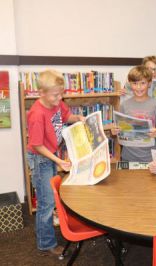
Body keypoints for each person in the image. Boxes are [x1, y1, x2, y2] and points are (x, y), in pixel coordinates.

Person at [26, 69, 84, 256]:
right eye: (55, 95)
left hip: (51, 153)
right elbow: (37, 145)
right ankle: (46, 243)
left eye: (61, 94)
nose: (59, 98)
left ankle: (44, 234)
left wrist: (79, 119)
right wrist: (59, 160)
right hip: (41, 157)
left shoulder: (57, 104)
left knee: (51, 198)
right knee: (46, 203)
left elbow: (66, 117)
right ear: (41, 93)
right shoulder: (36, 114)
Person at [112, 65, 156, 163]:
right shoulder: (124, 105)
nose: (139, 87)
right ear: (130, 84)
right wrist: (115, 131)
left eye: (143, 83)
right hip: (127, 156)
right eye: (135, 83)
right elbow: (119, 128)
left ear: (149, 83)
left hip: (149, 157)